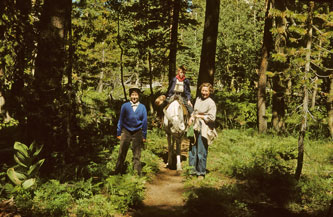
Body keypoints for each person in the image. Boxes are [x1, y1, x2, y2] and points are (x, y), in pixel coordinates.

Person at [114, 86, 148, 176]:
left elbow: (144, 122)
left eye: (136, 95)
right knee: (122, 152)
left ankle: (137, 172)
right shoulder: (125, 106)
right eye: (132, 95)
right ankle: (118, 171)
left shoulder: (142, 107)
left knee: (137, 153)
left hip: (137, 132)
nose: (134, 97)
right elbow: (121, 120)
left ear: (138, 96)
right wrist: (118, 132)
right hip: (126, 131)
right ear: (130, 96)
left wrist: (144, 135)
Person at [188, 82, 217, 179]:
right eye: (203, 90)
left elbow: (212, 117)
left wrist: (200, 116)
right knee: (192, 149)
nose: (204, 92)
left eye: (206, 91)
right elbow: (194, 112)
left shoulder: (211, 103)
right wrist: (191, 118)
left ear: (210, 92)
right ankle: (191, 170)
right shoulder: (198, 99)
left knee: (201, 151)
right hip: (195, 126)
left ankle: (201, 173)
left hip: (204, 128)